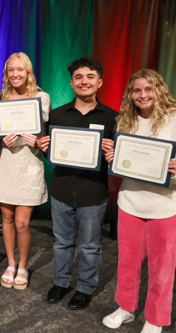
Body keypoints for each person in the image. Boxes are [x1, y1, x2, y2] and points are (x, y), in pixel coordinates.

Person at [37, 57, 117, 310]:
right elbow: (51, 153)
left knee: (91, 245)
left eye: (90, 76)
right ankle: (61, 283)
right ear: (71, 83)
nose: (85, 81)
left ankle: (85, 287)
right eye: (79, 77)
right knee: (62, 242)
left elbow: (118, 160)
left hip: (93, 192)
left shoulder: (113, 118)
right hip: (62, 190)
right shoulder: (58, 115)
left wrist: (114, 152)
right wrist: (43, 148)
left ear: (100, 82)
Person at [102, 70, 176, 333]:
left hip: (165, 205)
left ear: (159, 89)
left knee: (162, 267)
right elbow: (123, 164)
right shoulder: (125, 121)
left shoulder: (174, 119)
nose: (142, 95)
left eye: (148, 89)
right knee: (128, 261)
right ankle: (126, 308)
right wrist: (113, 158)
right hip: (130, 202)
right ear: (130, 95)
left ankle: (155, 318)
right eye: (136, 90)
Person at [0, 52, 51, 290]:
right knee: (6, 218)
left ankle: (23, 265)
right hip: (6, 162)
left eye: (20, 70)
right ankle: (11, 263)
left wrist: (40, 141)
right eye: (11, 70)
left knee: (22, 223)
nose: (15, 74)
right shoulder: (1, 98)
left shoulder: (41, 98)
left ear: (28, 72)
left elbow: (45, 132)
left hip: (29, 163)